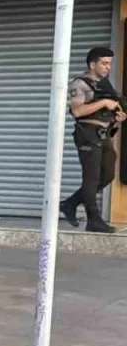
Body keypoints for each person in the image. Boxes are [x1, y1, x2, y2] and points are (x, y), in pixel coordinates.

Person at [60, 47, 125, 234]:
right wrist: (104, 103)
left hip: (103, 135)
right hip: (87, 134)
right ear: (92, 64)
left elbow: (105, 112)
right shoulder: (80, 84)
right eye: (104, 63)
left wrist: (116, 117)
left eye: (109, 63)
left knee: (108, 174)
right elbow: (77, 111)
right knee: (92, 177)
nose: (108, 67)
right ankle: (93, 220)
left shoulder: (104, 85)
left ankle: (70, 203)